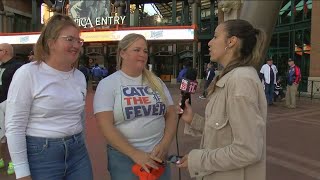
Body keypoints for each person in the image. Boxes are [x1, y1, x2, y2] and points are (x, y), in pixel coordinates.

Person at [5, 14, 93, 180]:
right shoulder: (27, 74)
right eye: (70, 39)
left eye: (78, 41)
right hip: (42, 155)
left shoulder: (79, 77)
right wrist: (22, 172)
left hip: (78, 153)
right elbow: (15, 125)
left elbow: (79, 117)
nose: (76, 45)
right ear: (51, 42)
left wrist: (81, 143)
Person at [177, 19, 267, 180]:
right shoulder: (230, 77)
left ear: (231, 41)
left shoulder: (240, 80)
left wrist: (198, 159)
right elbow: (224, 133)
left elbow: (248, 150)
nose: (209, 43)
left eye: (215, 36)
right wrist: (193, 120)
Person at [93, 33, 177, 180]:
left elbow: (171, 114)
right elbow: (105, 125)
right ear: (122, 53)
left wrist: (165, 144)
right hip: (124, 158)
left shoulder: (156, 81)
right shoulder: (108, 84)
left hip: (157, 156)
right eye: (137, 50)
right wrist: (134, 153)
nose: (142, 54)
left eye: (145, 51)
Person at [0, 43, 25, 175]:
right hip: (0, 104)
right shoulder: (1, 66)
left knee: (11, 134)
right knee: (0, 136)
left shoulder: (18, 67)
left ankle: (13, 162)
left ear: (5, 51)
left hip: (11, 104)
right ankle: (1, 159)